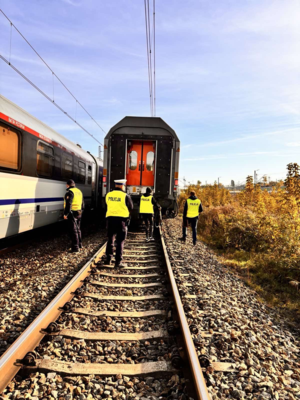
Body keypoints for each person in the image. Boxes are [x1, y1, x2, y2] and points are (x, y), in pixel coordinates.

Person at [105, 179, 133, 267]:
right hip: (121, 221)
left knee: (110, 239)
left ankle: (108, 259)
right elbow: (131, 207)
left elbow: (106, 204)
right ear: (122, 186)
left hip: (110, 220)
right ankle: (118, 262)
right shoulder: (125, 196)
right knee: (120, 241)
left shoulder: (108, 195)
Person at [64, 179, 84, 253]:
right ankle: (80, 244)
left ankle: (75, 247)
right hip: (79, 212)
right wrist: (81, 211)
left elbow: (68, 204)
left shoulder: (70, 192)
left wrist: (66, 214)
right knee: (78, 229)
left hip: (72, 213)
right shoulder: (79, 191)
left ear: (68, 185)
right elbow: (83, 203)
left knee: (73, 231)